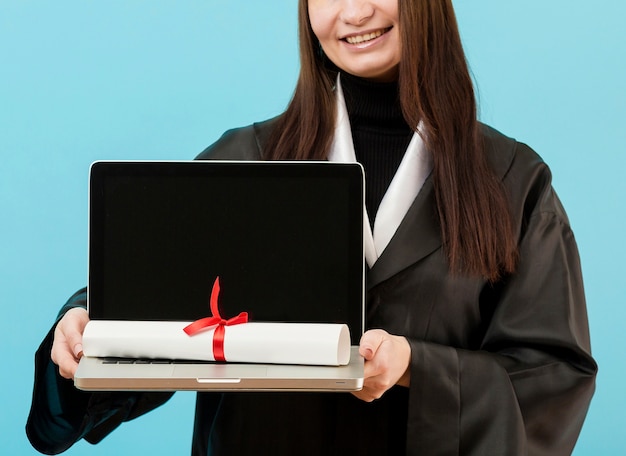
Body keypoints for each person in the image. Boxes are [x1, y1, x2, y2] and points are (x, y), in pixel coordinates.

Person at [27, 0, 597, 454]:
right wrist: (82, 326)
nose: (353, 13)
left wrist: (414, 369)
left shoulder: (510, 180)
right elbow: (149, 301)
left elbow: (551, 380)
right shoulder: (246, 162)